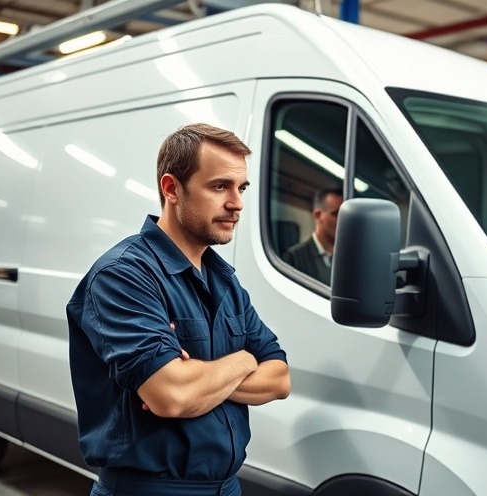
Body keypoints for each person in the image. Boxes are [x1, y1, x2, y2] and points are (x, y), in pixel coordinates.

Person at [67, 123, 290, 496]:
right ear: (171, 188)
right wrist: (243, 361)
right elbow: (172, 396)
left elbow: (280, 378)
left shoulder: (224, 281)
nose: (236, 203)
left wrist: (196, 378)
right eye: (220, 186)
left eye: (241, 188)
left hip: (226, 487)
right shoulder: (123, 275)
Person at [283, 187, 343, 285]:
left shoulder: (345, 257)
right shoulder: (294, 258)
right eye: (335, 214)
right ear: (317, 215)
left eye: (343, 215)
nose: (341, 220)